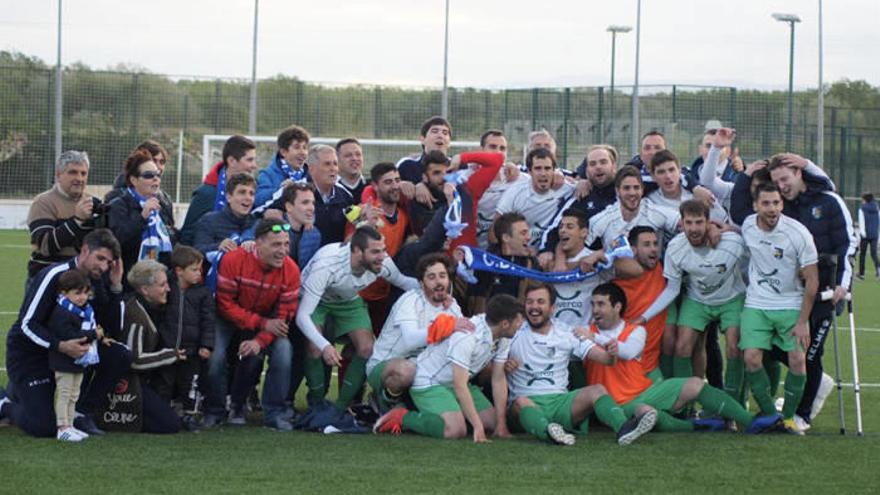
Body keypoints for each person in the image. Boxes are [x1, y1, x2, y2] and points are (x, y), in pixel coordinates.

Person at [585, 282, 783, 434]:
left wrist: (595, 338)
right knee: (646, 412)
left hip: (645, 392)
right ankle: (694, 427)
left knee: (695, 384)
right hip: (615, 404)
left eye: (601, 304)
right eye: (593, 304)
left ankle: (749, 422)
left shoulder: (635, 331)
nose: (595, 310)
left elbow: (627, 352)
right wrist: (590, 335)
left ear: (617, 307)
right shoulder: (585, 332)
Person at [2, 229, 130, 438]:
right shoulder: (54, 275)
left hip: (73, 355)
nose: (104, 267)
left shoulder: (98, 279)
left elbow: (114, 329)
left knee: (120, 353)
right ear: (85, 250)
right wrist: (60, 346)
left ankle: (81, 413)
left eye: (109, 262)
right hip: (35, 354)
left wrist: (116, 285)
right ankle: (4, 403)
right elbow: (27, 325)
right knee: (42, 427)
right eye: (100, 258)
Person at [501, 283, 656, 446]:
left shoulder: (566, 332)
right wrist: (504, 365)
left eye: (540, 302)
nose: (534, 307)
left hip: (560, 403)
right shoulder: (513, 331)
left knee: (597, 390)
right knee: (520, 402)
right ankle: (548, 432)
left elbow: (606, 360)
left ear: (552, 308)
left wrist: (611, 352)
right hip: (526, 404)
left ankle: (624, 428)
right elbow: (489, 368)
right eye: (529, 302)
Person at [769, 155, 856, 430]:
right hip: (793, 293)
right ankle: (819, 381)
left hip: (829, 292)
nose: (781, 185)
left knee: (809, 354)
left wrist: (843, 283)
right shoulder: (782, 209)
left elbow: (847, 243)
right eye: (776, 181)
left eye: (785, 178)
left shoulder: (829, 200)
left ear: (799, 173)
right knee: (769, 346)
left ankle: (802, 416)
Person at [295, 226, 419, 410]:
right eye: (375, 251)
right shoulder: (328, 265)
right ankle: (317, 402)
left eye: (383, 250)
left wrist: (437, 286)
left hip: (348, 300)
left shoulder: (383, 263)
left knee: (367, 349)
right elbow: (302, 316)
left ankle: (341, 408)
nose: (382, 256)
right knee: (315, 348)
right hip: (316, 299)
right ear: (357, 251)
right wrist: (326, 346)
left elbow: (403, 281)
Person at [373, 294, 522, 442]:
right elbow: (460, 385)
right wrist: (477, 426)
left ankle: (454, 414)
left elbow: (498, 378)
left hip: (457, 382)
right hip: (430, 382)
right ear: (504, 324)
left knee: (493, 423)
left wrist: (501, 425)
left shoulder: (503, 335)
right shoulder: (467, 337)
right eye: (518, 321)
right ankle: (402, 416)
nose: (520, 325)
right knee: (455, 430)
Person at [642, 200, 747, 405]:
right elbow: (672, 289)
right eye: (689, 223)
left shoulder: (732, 242)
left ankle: (733, 406)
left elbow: (759, 249)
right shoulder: (675, 247)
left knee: (734, 348)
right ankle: (686, 404)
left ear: (708, 222)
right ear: (681, 223)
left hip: (731, 299)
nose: (694, 228)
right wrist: (644, 316)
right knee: (682, 347)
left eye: (699, 222)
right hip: (697, 300)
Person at [204, 218, 301, 430]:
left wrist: (259, 340)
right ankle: (215, 410)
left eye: (286, 244)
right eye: (276, 244)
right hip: (229, 318)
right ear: (257, 243)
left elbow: (284, 317)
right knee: (215, 355)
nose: (283, 251)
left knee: (284, 350)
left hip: (264, 322)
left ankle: (274, 413)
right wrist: (261, 323)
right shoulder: (233, 260)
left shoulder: (292, 271)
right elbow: (225, 305)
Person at [740, 184, 819, 435]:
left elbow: (812, 280)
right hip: (757, 303)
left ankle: (788, 419)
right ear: (755, 206)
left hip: (790, 304)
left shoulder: (798, 234)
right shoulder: (748, 226)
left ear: (782, 204)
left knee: (797, 360)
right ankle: (769, 415)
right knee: (751, 358)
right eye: (766, 203)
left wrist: (803, 321)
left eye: (776, 203)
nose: (772, 208)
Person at [367, 253, 464, 412]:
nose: (438, 281)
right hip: (387, 364)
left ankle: (414, 405)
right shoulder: (410, 300)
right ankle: (384, 402)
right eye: (431, 277)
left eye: (442, 276)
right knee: (407, 370)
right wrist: (448, 326)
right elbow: (411, 340)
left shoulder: (452, 306)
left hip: (424, 367)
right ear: (421, 283)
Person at [114, 260, 185, 434]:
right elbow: (134, 360)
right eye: (162, 285)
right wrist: (170, 355)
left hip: (142, 380)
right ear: (145, 290)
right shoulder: (136, 316)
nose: (168, 289)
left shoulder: (148, 307)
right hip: (127, 383)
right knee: (169, 424)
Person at [156, 246, 215, 430]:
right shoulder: (167, 288)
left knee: (191, 384)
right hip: (167, 348)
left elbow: (208, 321)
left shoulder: (203, 293)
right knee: (164, 382)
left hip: (192, 350)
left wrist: (207, 345)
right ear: (179, 271)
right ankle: (162, 414)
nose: (200, 273)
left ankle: (190, 416)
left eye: (200, 269)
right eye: (195, 269)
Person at [48, 270, 104, 441]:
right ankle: (62, 427)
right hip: (64, 361)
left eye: (85, 293)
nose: (82, 297)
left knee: (74, 394)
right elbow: (69, 334)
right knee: (65, 393)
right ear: (64, 293)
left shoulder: (84, 310)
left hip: (79, 361)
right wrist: (93, 334)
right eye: (77, 293)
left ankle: (70, 425)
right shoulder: (61, 312)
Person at [27, 150, 99, 280]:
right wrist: (77, 220)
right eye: (73, 172)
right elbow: (45, 247)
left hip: (82, 281)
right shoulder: (43, 202)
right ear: (58, 175)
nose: (79, 178)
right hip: (48, 278)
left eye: (83, 173)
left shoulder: (94, 203)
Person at [541, 145, 620, 261]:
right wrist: (546, 250)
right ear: (587, 171)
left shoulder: (628, 189)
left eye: (603, 162)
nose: (598, 167)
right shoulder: (580, 195)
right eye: (592, 164)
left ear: (614, 166)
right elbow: (555, 227)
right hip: (586, 264)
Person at [107, 149, 176, 279]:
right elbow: (118, 241)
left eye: (157, 175)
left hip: (159, 279)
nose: (155, 178)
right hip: (130, 279)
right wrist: (142, 217)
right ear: (134, 180)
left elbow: (169, 241)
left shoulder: (162, 204)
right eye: (149, 175)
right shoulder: (119, 204)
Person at [180, 135, 257, 245]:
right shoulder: (206, 194)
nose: (254, 166)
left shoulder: (255, 190)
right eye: (249, 160)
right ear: (231, 161)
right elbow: (187, 236)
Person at [587, 165, 680, 254]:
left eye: (636, 188)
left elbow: (685, 224)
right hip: (615, 269)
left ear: (642, 190)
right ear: (617, 191)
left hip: (651, 269)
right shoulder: (602, 219)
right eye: (626, 188)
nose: (632, 193)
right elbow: (581, 250)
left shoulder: (656, 212)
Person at [496, 148, 575, 248]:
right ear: (529, 171)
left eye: (547, 168)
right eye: (538, 168)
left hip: (550, 254)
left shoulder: (567, 189)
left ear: (554, 170)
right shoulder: (515, 192)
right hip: (520, 254)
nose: (543, 173)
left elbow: (585, 186)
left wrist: (583, 183)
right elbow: (495, 231)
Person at [469, 212, 536, 313]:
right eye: (523, 233)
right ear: (506, 238)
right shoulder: (487, 264)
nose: (529, 237)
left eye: (528, 233)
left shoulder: (530, 263)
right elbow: (477, 304)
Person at [294, 144, 353, 245]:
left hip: (336, 256)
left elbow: (353, 223)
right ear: (311, 169)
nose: (333, 168)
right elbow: (263, 212)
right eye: (327, 164)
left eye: (335, 164)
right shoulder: (295, 190)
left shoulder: (345, 195)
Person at [105, 140, 176, 221]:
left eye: (162, 162)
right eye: (154, 160)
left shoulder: (164, 199)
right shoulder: (116, 198)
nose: (159, 167)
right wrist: (143, 217)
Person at [193, 173, 257, 255]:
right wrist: (218, 246)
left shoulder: (257, 222)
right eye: (242, 192)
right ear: (228, 197)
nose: (248, 198)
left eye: (251, 194)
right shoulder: (209, 221)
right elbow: (197, 251)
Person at [255, 125, 311, 209]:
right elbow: (258, 200)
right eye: (297, 147)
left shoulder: (310, 176)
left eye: (304, 147)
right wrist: (282, 190)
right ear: (283, 152)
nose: (302, 152)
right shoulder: (267, 174)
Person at [397, 116, 452, 184]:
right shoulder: (407, 166)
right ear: (422, 139)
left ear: (449, 142)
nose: (440, 135)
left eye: (445, 133)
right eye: (434, 131)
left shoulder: (457, 167)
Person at [336, 137, 367, 202]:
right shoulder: (331, 188)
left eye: (358, 154)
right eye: (348, 155)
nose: (354, 158)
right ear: (337, 159)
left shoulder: (373, 186)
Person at [858, 192, 879, 279]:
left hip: (865, 235)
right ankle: (879, 270)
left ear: (865, 200)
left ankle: (861, 274)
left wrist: (862, 234)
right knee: (874, 254)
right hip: (874, 234)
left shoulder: (862, 209)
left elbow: (861, 221)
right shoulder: (877, 208)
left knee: (862, 254)